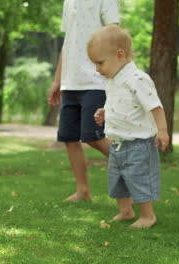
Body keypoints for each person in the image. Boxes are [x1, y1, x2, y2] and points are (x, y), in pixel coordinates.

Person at [88, 25, 169, 228]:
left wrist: (162, 130)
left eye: (100, 62)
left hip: (139, 144)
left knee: (139, 179)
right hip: (117, 143)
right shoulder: (114, 80)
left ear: (120, 55)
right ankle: (125, 211)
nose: (97, 69)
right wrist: (105, 112)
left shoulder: (138, 79)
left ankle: (148, 216)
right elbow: (121, 103)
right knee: (118, 181)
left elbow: (155, 106)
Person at [47, 0, 121, 202]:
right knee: (69, 138)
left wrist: (115, 72)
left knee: (93, 137)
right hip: (70, 82)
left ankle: (132, 166)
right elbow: (68, 42)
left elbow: (114, 34)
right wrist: (57, 80)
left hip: (95, 80)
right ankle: (83, 191)